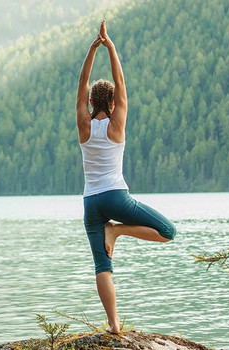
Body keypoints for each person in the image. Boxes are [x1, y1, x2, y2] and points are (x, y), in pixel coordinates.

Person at [76, 21, 177, 335]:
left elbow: (82, 84)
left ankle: (114, 324)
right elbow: (120, 81)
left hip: (91, 202)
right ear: (114, 102)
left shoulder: (84, 124)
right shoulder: (116, 124)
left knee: (102, 266)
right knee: (168, 231)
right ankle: (117, 232)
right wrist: (112, 47)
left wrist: (93, 49)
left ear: (92, 103)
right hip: (116, 197)